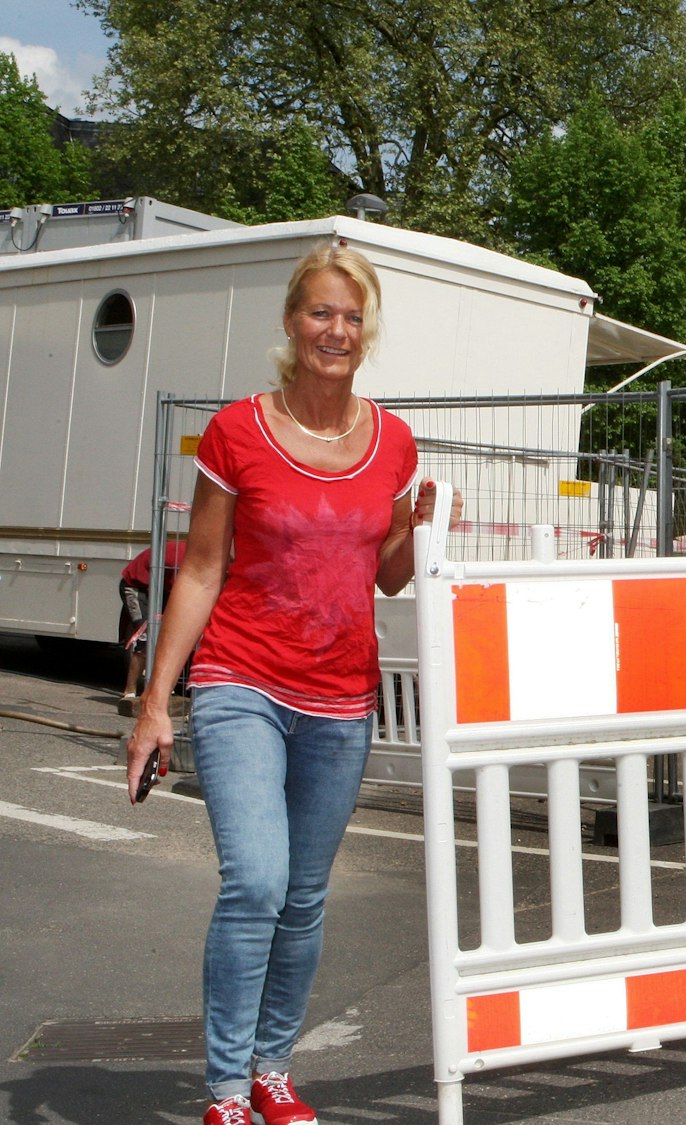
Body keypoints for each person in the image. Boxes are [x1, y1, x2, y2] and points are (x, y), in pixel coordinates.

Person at [125, 241, 457, 1125]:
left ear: (366, 330)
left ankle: (274, 1067)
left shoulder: (392, 442)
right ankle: (227, 1089)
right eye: (320, 311)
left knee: (305, 897)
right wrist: (157, 704)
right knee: (257, 883)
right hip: (242, 683)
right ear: (290, 320)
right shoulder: (238, 431)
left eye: (352, 316)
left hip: (343, 700)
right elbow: (199, 570)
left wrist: (416, 533)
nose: (335, 330)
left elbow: (384, 575)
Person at [117, 540, 187, 714]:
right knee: (145, 636)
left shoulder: (191, 556)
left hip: (159, 588)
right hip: (135, 586)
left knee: (168, 637)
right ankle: (130, 691)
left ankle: (161, 688)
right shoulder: (181, 560)